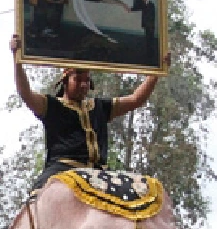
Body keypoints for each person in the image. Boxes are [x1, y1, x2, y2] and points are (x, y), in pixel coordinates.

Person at [10, 34, 170, 189]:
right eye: (78, 80)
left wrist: (156, 72)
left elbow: (135, 99)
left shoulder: (99, 107)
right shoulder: (51, 106)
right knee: (41, 198)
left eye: (86, 80)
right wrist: (17, 60)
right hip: (62, 171)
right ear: (65, 81)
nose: (83, 85)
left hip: (101, 176)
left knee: (143, 191)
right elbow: (26, 93)